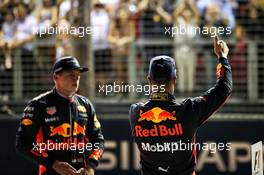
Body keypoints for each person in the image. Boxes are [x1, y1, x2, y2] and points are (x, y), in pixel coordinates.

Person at [128, 36, 232, 175]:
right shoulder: (189, 110)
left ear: (149, 81)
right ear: (175, 80)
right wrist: (222, 57)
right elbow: (224, 88)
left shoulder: (136, 112)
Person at [16, 56, 104, 175]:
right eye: (70, 74)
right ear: (55, 77)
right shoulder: (38, 105)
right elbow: (23, 144)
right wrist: (53, 164)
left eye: (78, 74)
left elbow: (98, 140)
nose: (76, 77)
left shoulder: (86, 104)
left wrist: (91, 166)